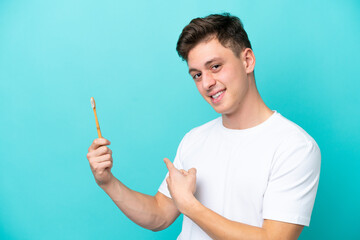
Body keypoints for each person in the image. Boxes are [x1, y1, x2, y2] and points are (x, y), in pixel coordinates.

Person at [86, 13, 321, 239]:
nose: (207, 83)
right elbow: (159, 215)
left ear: (247, 60)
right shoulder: (194, 139)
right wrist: (108, 182)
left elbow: (273, 239)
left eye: (215, 66)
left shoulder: (295, 147)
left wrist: (190, 205)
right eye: (197, 75)